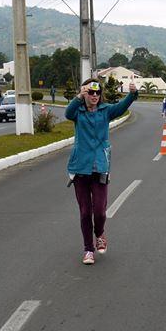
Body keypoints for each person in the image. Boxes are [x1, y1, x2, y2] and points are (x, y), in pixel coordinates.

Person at [65, 79, 138, 265]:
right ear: (85, 94)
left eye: (97, 93)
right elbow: (68, 113)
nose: (95, 96)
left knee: (99, 211)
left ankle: (100, 234)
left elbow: (121, 107)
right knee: (84, 212)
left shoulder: (106, 111)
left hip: (100, 166)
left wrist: (132, 93)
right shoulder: (78, 112)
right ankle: (88, 249)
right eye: (91, 92)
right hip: (80, 167)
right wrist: (78, 97)